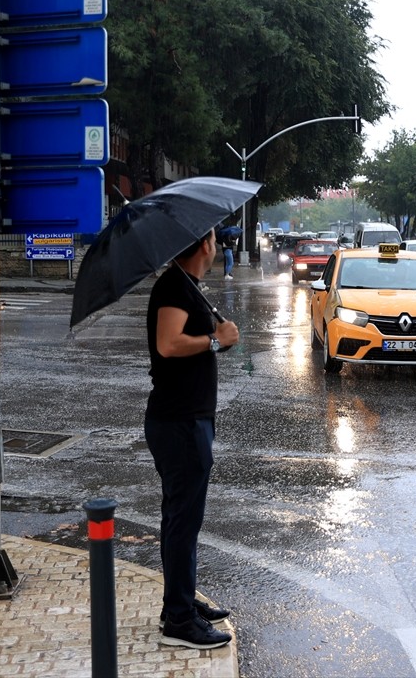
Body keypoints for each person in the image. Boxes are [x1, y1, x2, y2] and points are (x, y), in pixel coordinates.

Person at [145, 227, 239, 650]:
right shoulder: (174, 286)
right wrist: (216, 343)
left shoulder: (188, 286)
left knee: (182, 519)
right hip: (179, 422)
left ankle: (178, 603)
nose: (218, 244)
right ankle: (180, 621)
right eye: (215, 237)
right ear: (205, 245)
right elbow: (168, 344)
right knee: (183, 522)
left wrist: (215, 340)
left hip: (189, 418)